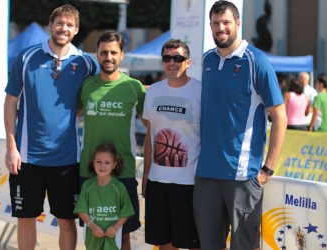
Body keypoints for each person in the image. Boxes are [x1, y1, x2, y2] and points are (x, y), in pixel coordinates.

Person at [193, 1, 287, 250]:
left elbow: (280, 117)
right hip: (206, 173)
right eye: (215, 23)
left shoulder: (257, 61)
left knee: (244, 247)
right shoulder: (207, 60)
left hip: (243, 176)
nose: (220, 28)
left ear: (237, 23)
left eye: (226, 22)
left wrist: (268, 169)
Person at [4, 5, 97, 250]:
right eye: (59, 23)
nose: (63, 28)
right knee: (26, 220)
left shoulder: (86, 63)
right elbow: (11, 101)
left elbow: (88, 100)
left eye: (69, 25)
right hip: (27, 158)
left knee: (66, 222)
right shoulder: (26, 57)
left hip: (66, 160)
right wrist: (11, 147)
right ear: (50, 24)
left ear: (76, 29)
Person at [76, 32, 146, 250]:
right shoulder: (86, 86)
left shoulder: (135, 87)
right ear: (97, 54)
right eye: (104, 52)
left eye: (113, 52)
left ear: (122, 54)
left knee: (123, 236)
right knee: (94, 234)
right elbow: (67, 117)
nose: (108, 56)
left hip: (123, 173)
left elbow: (153, 125)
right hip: (90, 172)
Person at [142, 39, 201, 250]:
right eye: (167, 58)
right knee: (165, 244)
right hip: (158, 181)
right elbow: (151, 136)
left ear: (188, 62)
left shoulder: (200, 91)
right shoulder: (154, 91)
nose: (172, 62)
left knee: (194, 244)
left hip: (189, 184)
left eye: (178, 58)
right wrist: (146, 176)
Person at [74, 143, 135, 250]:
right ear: (93, 162)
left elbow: (126, 212)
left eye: (107, 162)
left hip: (113, 236)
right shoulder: (87, 186)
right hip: (93, 235)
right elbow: (81, 210)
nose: (102, 166)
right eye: (98, 162)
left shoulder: (119, 187)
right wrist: (92, 226)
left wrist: (116, 227)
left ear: (114, 165)